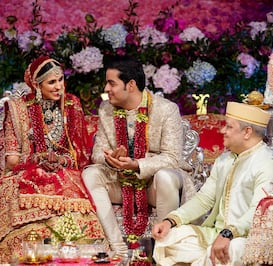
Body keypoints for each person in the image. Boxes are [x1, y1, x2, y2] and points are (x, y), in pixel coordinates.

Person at [0, 56, 106, 264]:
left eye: (61, 80)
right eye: (51, 82)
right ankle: (31, 254)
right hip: (25, 171)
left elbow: (80, 153)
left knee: (70, 194)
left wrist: (61, 160)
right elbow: (11, 159)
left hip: (65, 171)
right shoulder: (18, 109)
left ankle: (71, 253)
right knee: (14, 195)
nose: (59, 87)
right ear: (36, 85)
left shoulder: (72, 105)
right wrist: (37, 159)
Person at [82, 55, 196, 256]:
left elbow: (171, 157)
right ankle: (117, 248)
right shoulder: (106, 109)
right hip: (120, 181)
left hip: (154, 185)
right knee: (90, 174)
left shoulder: (165, 109)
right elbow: (97, 153)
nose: (106, 89)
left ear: (131, 85)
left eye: (111, 83)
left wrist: (136, 164)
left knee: (166, 176)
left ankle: (165, 252)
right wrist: (112, 159)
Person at [151, 102, 273, 265]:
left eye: (229, 127)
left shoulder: (268, 165)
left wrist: (228, 233)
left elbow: (258, 212)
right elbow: (204, 199)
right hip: (216, 234)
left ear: (247, 132)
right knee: (169, 238)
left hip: (248, 240)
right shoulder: (225, 160)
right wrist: (171, 221)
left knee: (229, 250)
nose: (223, 131)